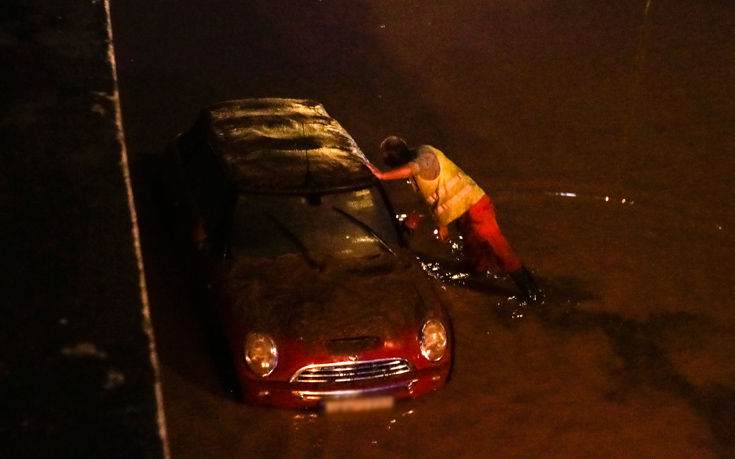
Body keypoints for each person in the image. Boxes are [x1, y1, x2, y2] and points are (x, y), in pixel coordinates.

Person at [366, 136, 542, 303]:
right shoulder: (416, 165)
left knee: (498, 247)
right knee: (473, 245)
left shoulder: (424, 157)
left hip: (476, 206)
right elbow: (433, 198)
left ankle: (531, 291)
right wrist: (442, 224)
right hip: (463, 209)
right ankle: (478, 270)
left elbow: (415, 168)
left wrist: (382, 176)